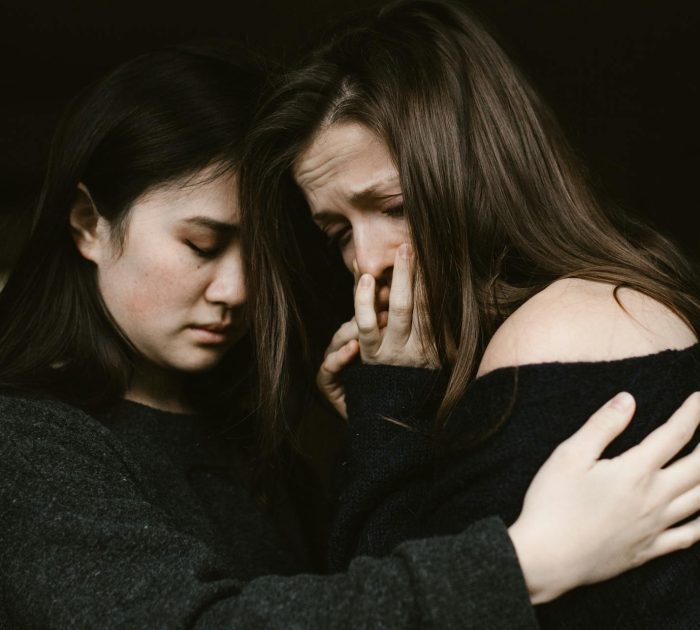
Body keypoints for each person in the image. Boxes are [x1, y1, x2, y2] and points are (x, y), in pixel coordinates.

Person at [0, 35, 698, 630]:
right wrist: (524, 563)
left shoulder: (250, 434)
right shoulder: (27, 442)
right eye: (201, 245)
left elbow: (362, 587)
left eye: (262, 259)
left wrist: (387, 418)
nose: (237, 291)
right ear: (89, 225)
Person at [240, 0, 700, 627]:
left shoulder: (560, 333)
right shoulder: (576, 316)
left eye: (394, 207)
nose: (366, 262)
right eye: (338, 232)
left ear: (481, 175)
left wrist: (389, 412)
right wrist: (393, 409)